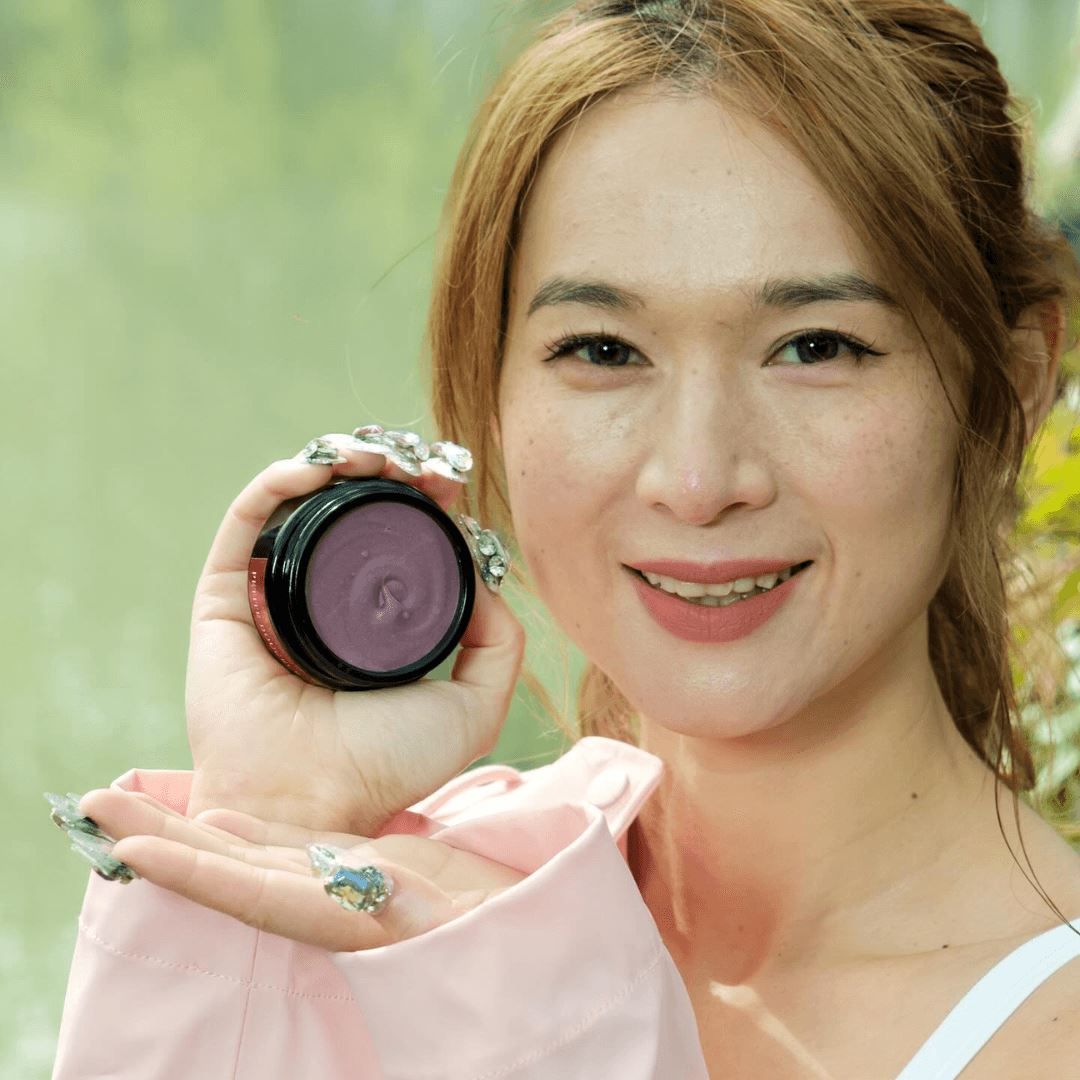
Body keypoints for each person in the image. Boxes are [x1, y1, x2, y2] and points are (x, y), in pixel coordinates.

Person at [51, 0, 1080, 1076]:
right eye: (603, 349)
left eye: (815, 346)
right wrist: (269, 828)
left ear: (1009, 389)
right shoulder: (417, 894)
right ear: (492, 396)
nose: (697, 481)